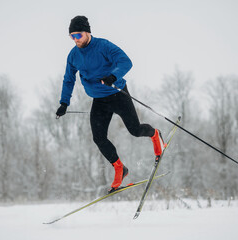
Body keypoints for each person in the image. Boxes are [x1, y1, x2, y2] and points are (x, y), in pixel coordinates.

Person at [56, 16, 165, 192]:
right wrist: (64, 103)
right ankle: (120, 169)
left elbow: (126, 61)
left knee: (135, 130)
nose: (75, 40)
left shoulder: (103, 46)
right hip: (99, 100)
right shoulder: (73, 55)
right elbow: (68, 79)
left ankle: (155, 134)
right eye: (72, 36)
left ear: (87, 32)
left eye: (78, 35)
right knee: (98, 138)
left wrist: (113, 76)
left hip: (118, 94)